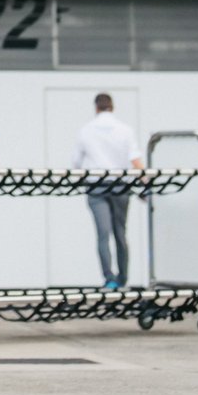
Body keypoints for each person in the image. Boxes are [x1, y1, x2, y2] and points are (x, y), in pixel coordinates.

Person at [72, 93, 144, 290]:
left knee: (103, 234)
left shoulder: (86, 130)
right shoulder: (125, 130)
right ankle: (123, 278)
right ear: (113, 107)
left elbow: (77, 163)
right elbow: (135, 160)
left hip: (96, 186)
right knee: (120, 233)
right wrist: (145, 185)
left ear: (96, 107)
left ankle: (109, 278)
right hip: (121, 185)